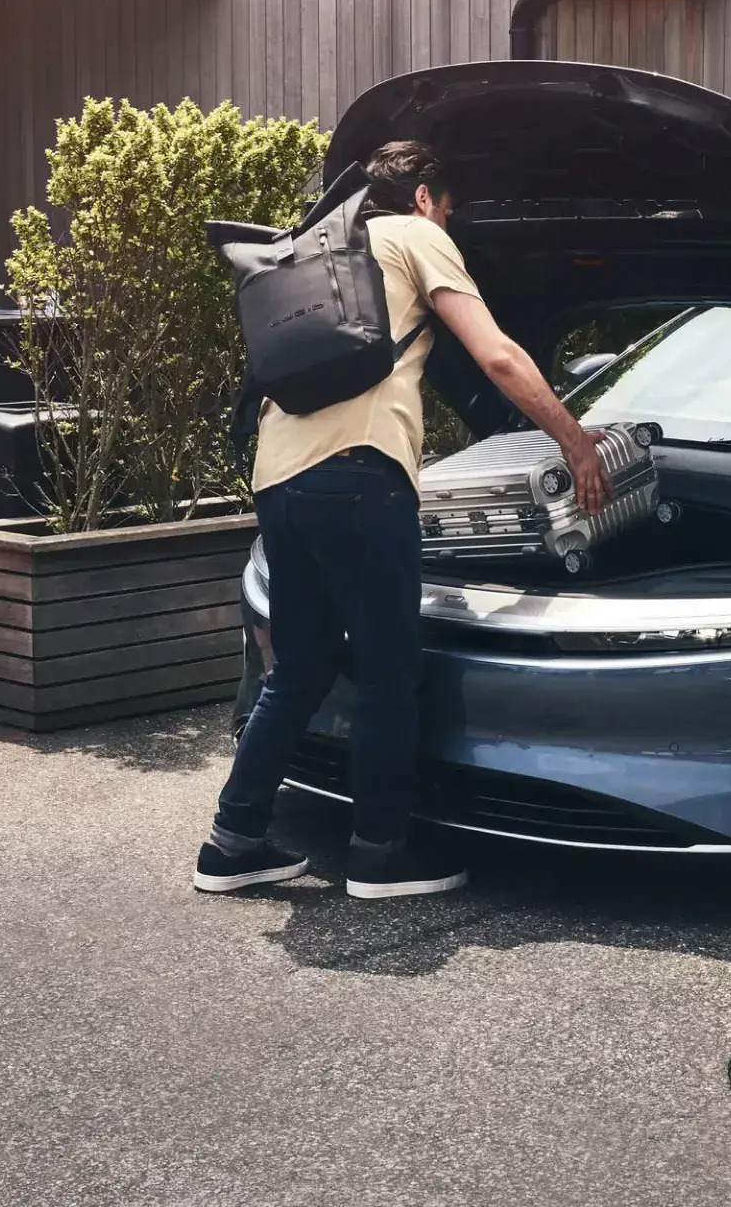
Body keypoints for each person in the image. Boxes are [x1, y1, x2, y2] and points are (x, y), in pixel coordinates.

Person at [194, 141, 610, 900]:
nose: (448, 220)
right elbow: (499, 359)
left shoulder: (316, 249)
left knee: (303, 668)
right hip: (360, 474)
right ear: (425, 197)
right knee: (391, 669)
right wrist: (576, 441)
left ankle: (231, 839)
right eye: (449, 208)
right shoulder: (418, 236)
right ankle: (380, 852)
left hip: (279, 481)